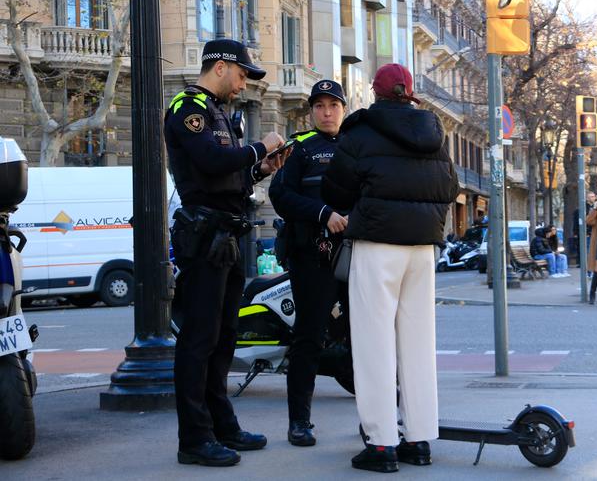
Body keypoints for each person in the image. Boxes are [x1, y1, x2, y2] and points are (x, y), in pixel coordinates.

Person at [321, 63, 459, 473]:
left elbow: (335, 189)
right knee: (418, 344)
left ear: (376, 94)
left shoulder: (361, 132)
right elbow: (450, 187)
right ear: (409, 94)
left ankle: (381, 444)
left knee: (373, 345)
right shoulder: (433, 134)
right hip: (422, 249)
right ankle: (419, 438)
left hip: (377, 244)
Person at [165, 38, 288, 467]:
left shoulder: (218, 110)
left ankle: (222, 426)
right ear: (220, 67)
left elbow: (227, 175)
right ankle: (194, 439)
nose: (242, 85)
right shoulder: (189, 106)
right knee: (199, 339)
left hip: (227, 236)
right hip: (205, 237)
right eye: (240, 75)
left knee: (223, 338)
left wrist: (259, 169)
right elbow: (211, 161)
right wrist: (260, 147)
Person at [268, 80, 350, 447]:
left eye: (333, 105)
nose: (327, 112)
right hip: (313, 257)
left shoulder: (356, 145)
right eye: (320, 106)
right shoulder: (300, 147)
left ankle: (378, 423)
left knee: (367, 337)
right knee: (309, 337)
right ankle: (299, 422)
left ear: (343, 109)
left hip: (356, 255)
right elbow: (280, 195)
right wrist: (322, 213)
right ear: (312, 111)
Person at [573, 191, 596, 275]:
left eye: (593, 196)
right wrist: (576, 232)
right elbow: (578, 222)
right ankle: (589, 271)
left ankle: (595, 271)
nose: (592, 198)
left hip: (596, 232)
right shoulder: (582, 208)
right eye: (590, 197)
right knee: (588, 252)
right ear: (586, 198)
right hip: (587, 233)